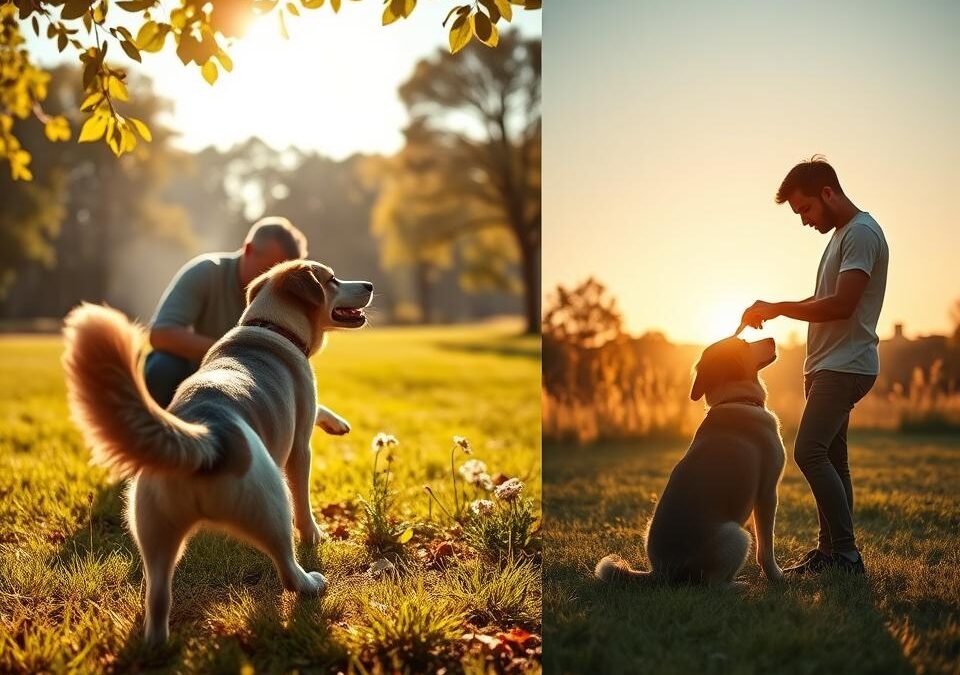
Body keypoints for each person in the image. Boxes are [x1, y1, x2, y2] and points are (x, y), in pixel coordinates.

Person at [740, 156, 888, 576]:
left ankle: (845, 555)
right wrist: (775, 307)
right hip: (829, 365)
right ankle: (830, 553)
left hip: (845, 366)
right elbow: (823, 297)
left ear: (827, 193)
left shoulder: (860, 233)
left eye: (805, 209)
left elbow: (841, 306)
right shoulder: (844, 235)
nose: (804, 220)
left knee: (809, 451)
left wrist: (780, 307)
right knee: (833, 459)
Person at [145, 216, 309, 408]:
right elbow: (161, 334)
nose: (275, 284)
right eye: (270, 270)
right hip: (197, 373)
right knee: (163, 367)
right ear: (248, 250)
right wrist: (232, 354)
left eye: (284, 277)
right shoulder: (206, 272)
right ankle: (152, 433)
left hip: (251, 386)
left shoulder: (286, 297)